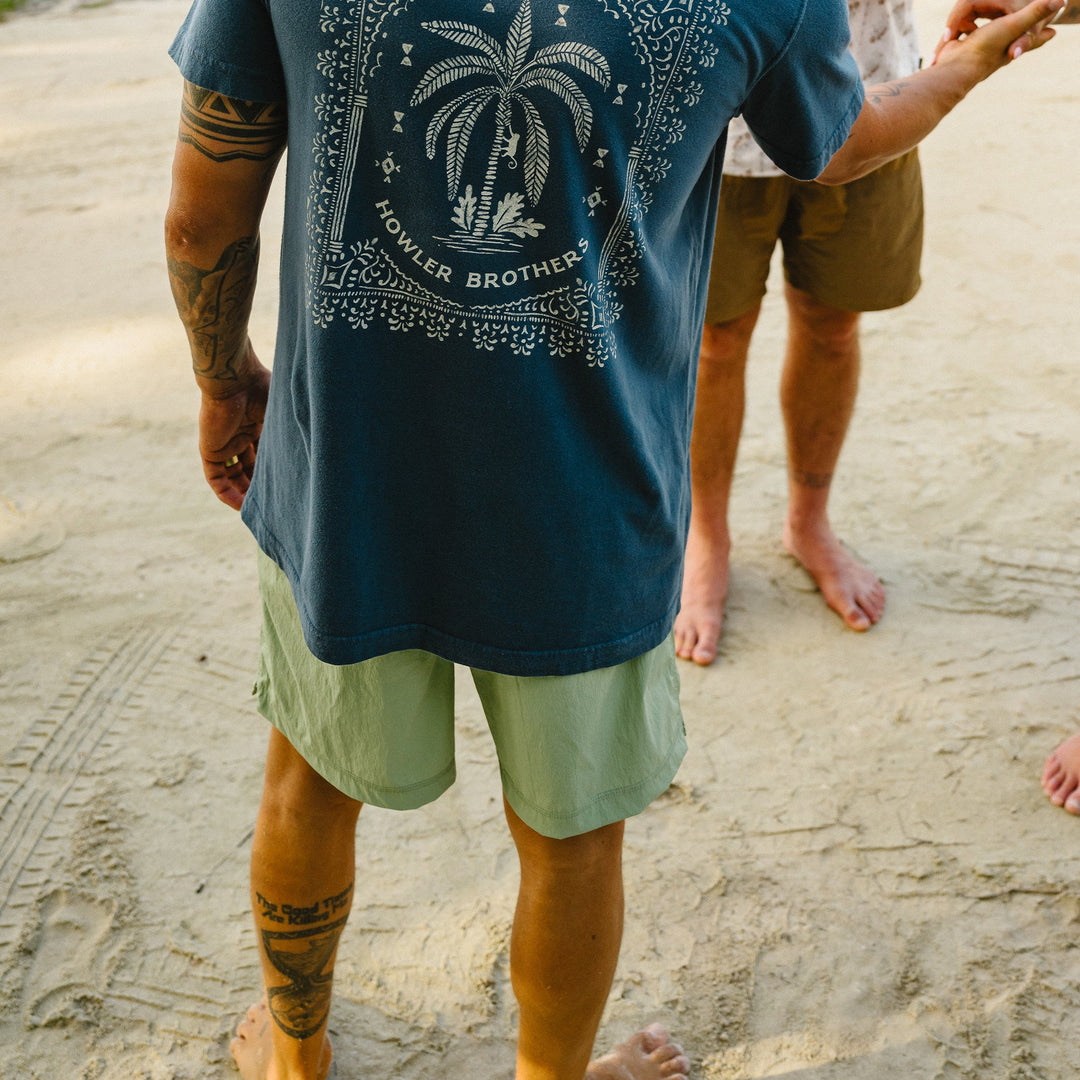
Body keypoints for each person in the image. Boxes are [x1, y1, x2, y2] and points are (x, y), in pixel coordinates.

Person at [164, 0, 1060, 1076]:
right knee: (572, 841)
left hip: (350, 478)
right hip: (588, 498)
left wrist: (225, 382)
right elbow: (840, 147)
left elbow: (203, 218)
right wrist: (966, 63)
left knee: (308, 779)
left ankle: (295, 1058)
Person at [674, 0, 929, 667]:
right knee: (714, 341)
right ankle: (707, 538)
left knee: (832, 324)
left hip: (869, 86)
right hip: (715, 105)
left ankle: (808, 523)